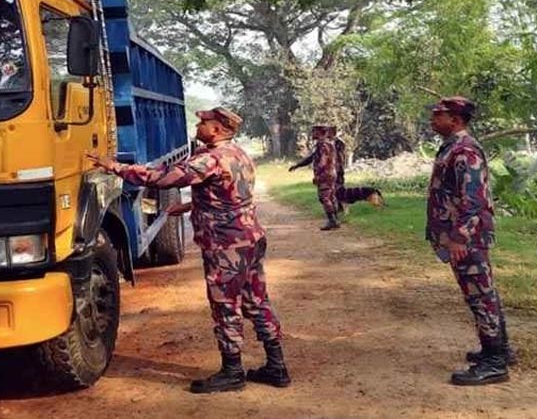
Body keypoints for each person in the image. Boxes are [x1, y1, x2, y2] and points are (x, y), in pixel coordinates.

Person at [88, 107, 290, 393]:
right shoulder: (238, 154)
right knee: (257, 301)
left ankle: (232, 372)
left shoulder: (210, 159)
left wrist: (114, 167)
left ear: (218, 129)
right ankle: (276, 366)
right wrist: (187, 207)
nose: (198, 124)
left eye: (204, 122)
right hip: (249, 238)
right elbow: (229, 196)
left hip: (226, 245)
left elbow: (161, 177)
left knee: (225, 306)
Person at [425, 96, 512, 386]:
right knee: (483, 292)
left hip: (467, 236)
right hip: (461, 234)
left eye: (439, 114)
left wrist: (459, 237)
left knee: (480, 295)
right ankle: (501, 349)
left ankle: (495, 362)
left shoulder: (465, 151)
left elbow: (473, 199)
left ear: (456, 119)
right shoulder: (452, 147)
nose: (433, 119)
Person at [289, 126, 383, 230]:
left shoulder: (323, 145)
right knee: (332, 197)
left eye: (314, 132)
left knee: (325, 197)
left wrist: (318, 174)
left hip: (325, 174)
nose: (312, 134)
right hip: (331, 174)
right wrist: (297, 165)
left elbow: (323, 161)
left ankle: (332, 220)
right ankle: (334, 218)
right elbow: (311, 158)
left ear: (320, 132)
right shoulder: (328, 144)